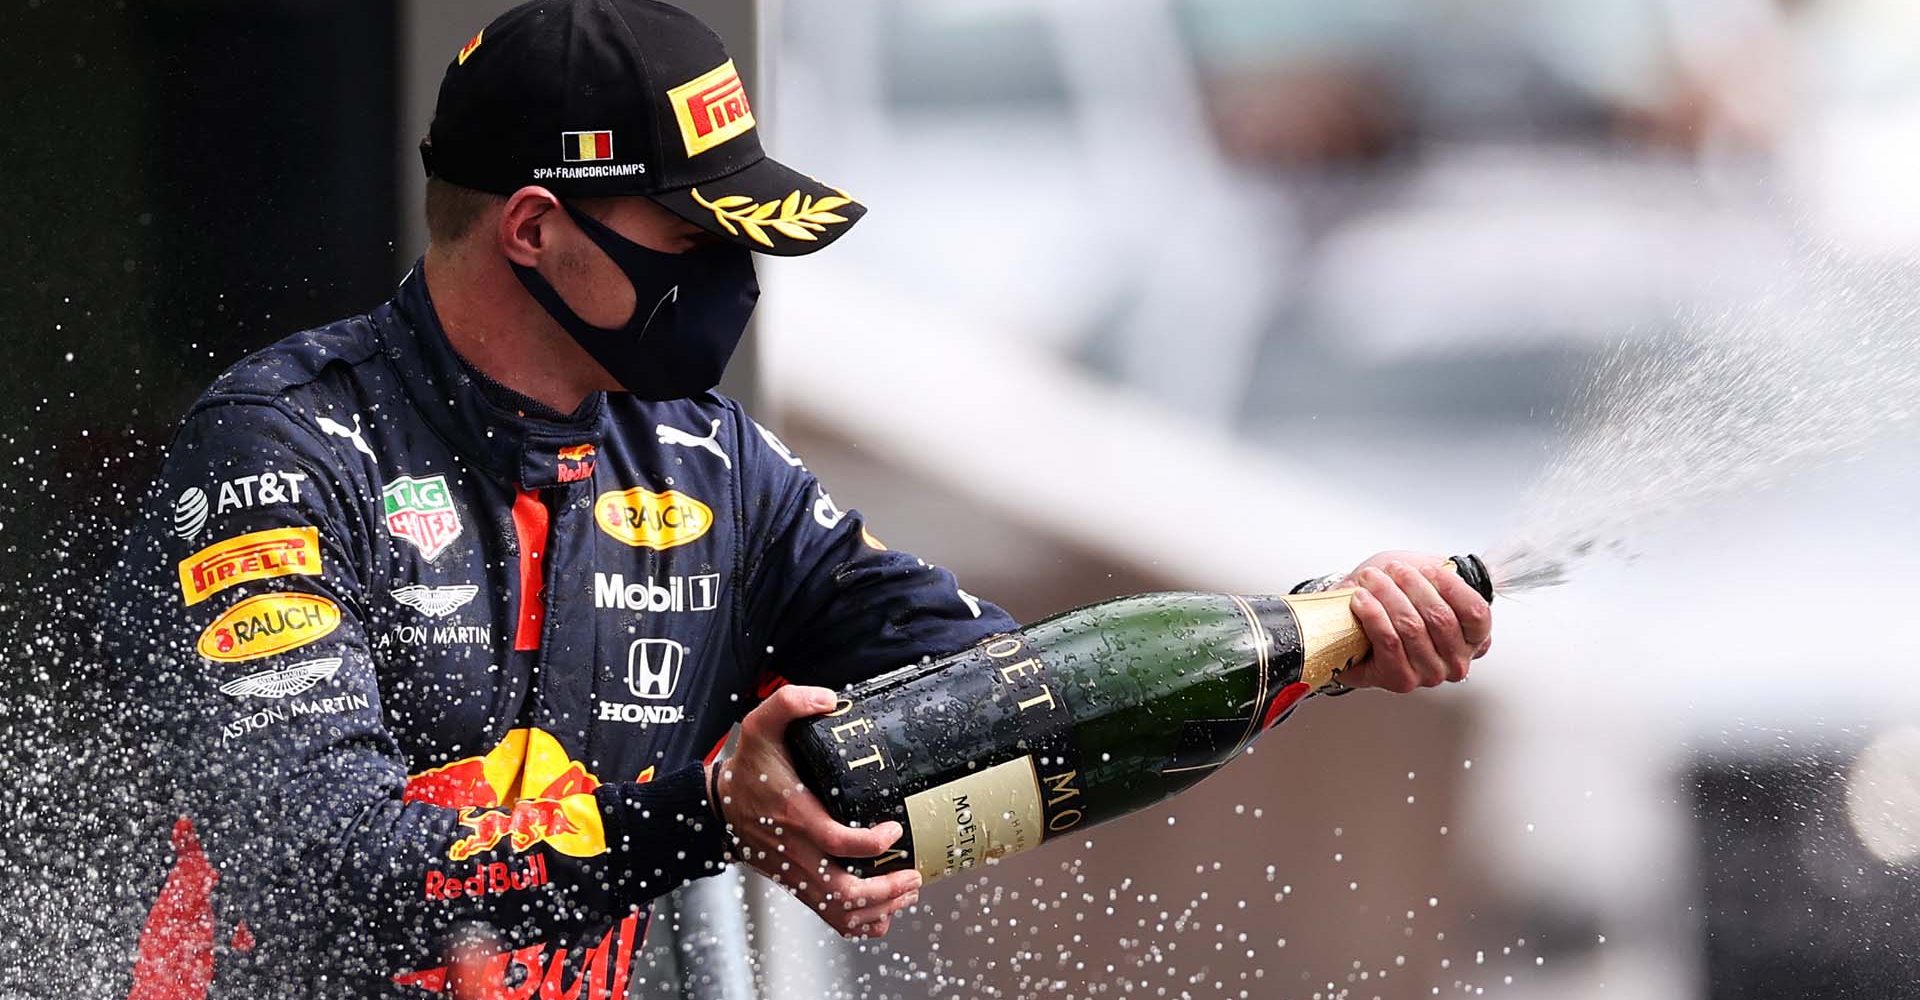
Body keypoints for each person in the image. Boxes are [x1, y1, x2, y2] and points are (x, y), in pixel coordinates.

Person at [106, 1, 1492, 996]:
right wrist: (713, 812)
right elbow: (316, 858)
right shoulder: (282, 451)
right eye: (694, 236)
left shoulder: (709, 465)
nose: (732, 274)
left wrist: (1323, 639)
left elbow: (1003, 693)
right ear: (532, 229)